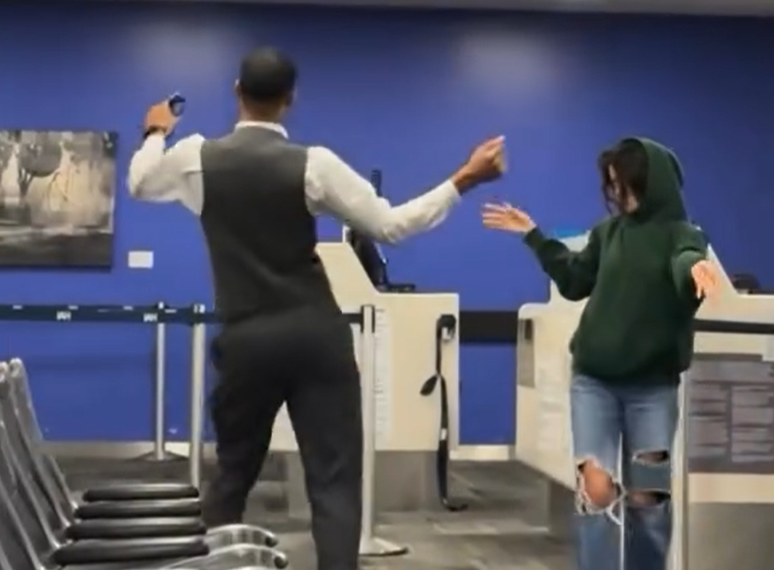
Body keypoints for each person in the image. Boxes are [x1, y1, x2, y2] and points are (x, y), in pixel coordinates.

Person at [127, 46, 505, 570]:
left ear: (237, 92)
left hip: (246, 340)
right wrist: (465, 177)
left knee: (232, 476)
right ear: (290, 99)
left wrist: (155, 131)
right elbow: (391, 225)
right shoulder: (314, 163)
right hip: (316, 336)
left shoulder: (196, 158)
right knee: (334, 482)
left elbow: (140, 182)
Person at [481, 137, 717, 570]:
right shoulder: (608, 233)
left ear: (651, 183)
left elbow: (684, 261)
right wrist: (534, 236)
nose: (618, 194)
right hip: (594, 383)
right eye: (612, 184)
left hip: (652, 389)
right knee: (596, 494)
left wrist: (694, 270)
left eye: (624, 183)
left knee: (648, 502)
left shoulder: (683, 236)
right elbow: (575, 282)